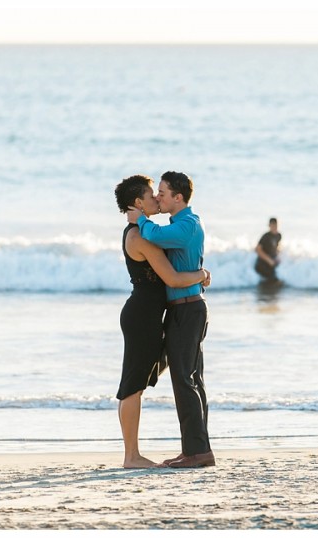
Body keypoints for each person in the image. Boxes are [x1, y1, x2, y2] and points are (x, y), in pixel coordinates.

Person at [113, 175, 210, 469]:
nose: (157, 198)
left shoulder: (154, 229)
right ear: (139, 203)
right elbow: (171, 277)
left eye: (161, 193)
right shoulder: (140, 234)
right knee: (133, 385)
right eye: (151, 195)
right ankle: (132, 456)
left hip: (156, 314)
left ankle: (193, 449)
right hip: (144, 316)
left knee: (172, 378)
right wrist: (202, 275)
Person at [254, 217, 282, 282]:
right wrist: (269, 260)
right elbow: (257, 249)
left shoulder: (279, 235)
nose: (274, 227)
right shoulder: (266, 236)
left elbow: (277, 247)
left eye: (275, 225)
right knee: (272, 280)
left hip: (272, 262)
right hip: (262, 263)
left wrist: (278, 256)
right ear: (269, 225)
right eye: (272, 225)